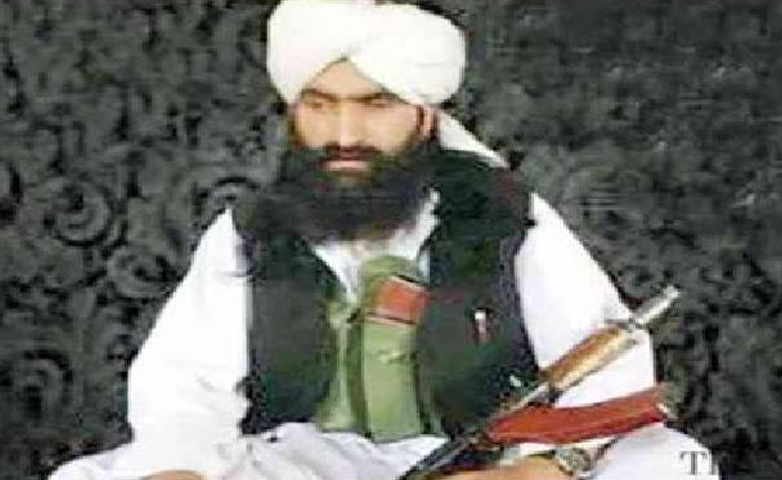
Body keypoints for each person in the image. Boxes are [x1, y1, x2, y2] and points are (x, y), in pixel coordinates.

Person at [50, 1, 717, 479]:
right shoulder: (250, 229)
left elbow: (607, 367)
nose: (344, 134)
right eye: (319, 104)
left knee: (672, 465)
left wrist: (545, 467)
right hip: (310, 463)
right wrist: (179, 469)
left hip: (485, 462)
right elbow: (184, 385)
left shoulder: (509, 218)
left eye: (375, 105)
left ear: (423, 115)